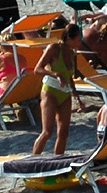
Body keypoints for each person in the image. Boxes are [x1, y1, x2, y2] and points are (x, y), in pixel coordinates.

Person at [31, 20, 81, 155]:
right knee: (47, 132)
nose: (79, 43)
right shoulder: (54, 48)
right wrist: (55, 74)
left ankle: (57, 163)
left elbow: (70, 77)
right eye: (77, 40)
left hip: (65, 93)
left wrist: (77, 97)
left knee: (64, 133)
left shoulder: (71, 53)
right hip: (50, 91)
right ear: (69, 38)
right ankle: (32, 161)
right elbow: (37, 69)